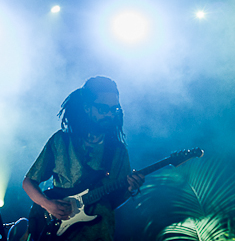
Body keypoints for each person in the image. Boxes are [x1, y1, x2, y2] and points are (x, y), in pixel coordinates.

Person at [23, 76, 144, 241]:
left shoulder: (118, 151)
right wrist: (48, 205)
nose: (109, 114)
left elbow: (113, 201)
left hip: (98, 233)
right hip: (59, 231)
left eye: (114, 109)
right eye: (103, 109)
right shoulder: (61, 141)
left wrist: (130, 189)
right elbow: (29, 182)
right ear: (87, 108)